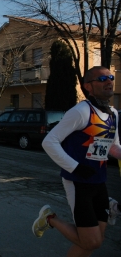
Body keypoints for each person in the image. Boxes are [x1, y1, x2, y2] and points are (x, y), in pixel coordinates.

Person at [33, 66, 121, 256]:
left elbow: (113, 146)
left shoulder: (113, 114)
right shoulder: (81, 111)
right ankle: (49, 218)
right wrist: (75, 168)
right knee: (92, 241)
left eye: (111, 77)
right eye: (102, 78)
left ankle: (109, 204)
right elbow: (49, 141)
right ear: (87, 86)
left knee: (93, 241)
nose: (109, 81)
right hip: (78, 182)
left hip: (99, 181)